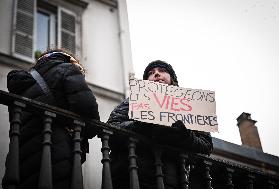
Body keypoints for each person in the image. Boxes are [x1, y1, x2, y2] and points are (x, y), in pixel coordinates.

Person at [107, 60, 213, 189]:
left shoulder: (188, 107)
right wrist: (141, 125)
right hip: (130, 176)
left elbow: (206, 145)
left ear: (172, 78)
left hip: (172, 180)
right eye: (151, 73)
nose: (156, 74)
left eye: (162, 71)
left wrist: (184, 135)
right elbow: (112, 129)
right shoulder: (132, 102)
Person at [2, 49, 100, 189]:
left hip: (20, 162)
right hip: (55, 155)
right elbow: (88, 111)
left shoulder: (24, 83)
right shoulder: (66, 68)